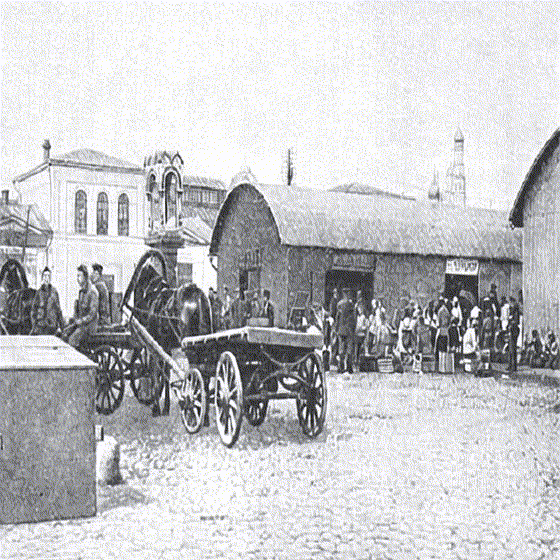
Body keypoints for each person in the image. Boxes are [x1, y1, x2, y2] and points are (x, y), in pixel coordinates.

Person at [62, 264, 99, 349]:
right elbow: (79, 310)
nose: (77, 278)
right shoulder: (82, 291)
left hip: (89, 326)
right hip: (81, 324)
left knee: (72, 340)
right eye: (77, 276)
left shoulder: (92, 291)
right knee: (64, 334)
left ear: (85, 277)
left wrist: (81, 321)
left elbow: (92, 314)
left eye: (79, 276)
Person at [30, 266, 64, 335]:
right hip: (40, 326)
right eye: (45, 276)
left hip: (52, 326)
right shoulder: (39, 293)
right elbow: (33, 310)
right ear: (42, 278)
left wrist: (61, 327)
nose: (46, 278)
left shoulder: (54, 292)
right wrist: (34, 325)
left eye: (48, 276)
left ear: (50, 278)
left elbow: (58, 310)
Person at [335, 287, 356, 375]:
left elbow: (337, 317)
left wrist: (336, 328)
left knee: (341, 348)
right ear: (348, 293)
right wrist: (353, 328)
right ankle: (349, 367)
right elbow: (354, 318)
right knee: (349, 349)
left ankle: (341, 367)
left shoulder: (339, 304)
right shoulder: (351, 304)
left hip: (341, 330)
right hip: (349, 330)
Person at [435, 296, 451, 373]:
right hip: (446, 331)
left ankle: (441, 368)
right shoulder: (447, 311)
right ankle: (445, 368)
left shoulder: (440, 311)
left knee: (440, 350)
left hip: (441, 331)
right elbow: (449, 321)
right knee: (445, 349)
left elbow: (438, 322)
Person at [507, 295, 520, 372]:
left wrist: (511, 323)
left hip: (514, 330)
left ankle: (514, 366)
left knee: (513, 349)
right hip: (511, 330)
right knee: (510, 349)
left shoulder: (516, 312)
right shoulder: (512, 312)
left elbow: (516, 322)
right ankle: (510, 365)